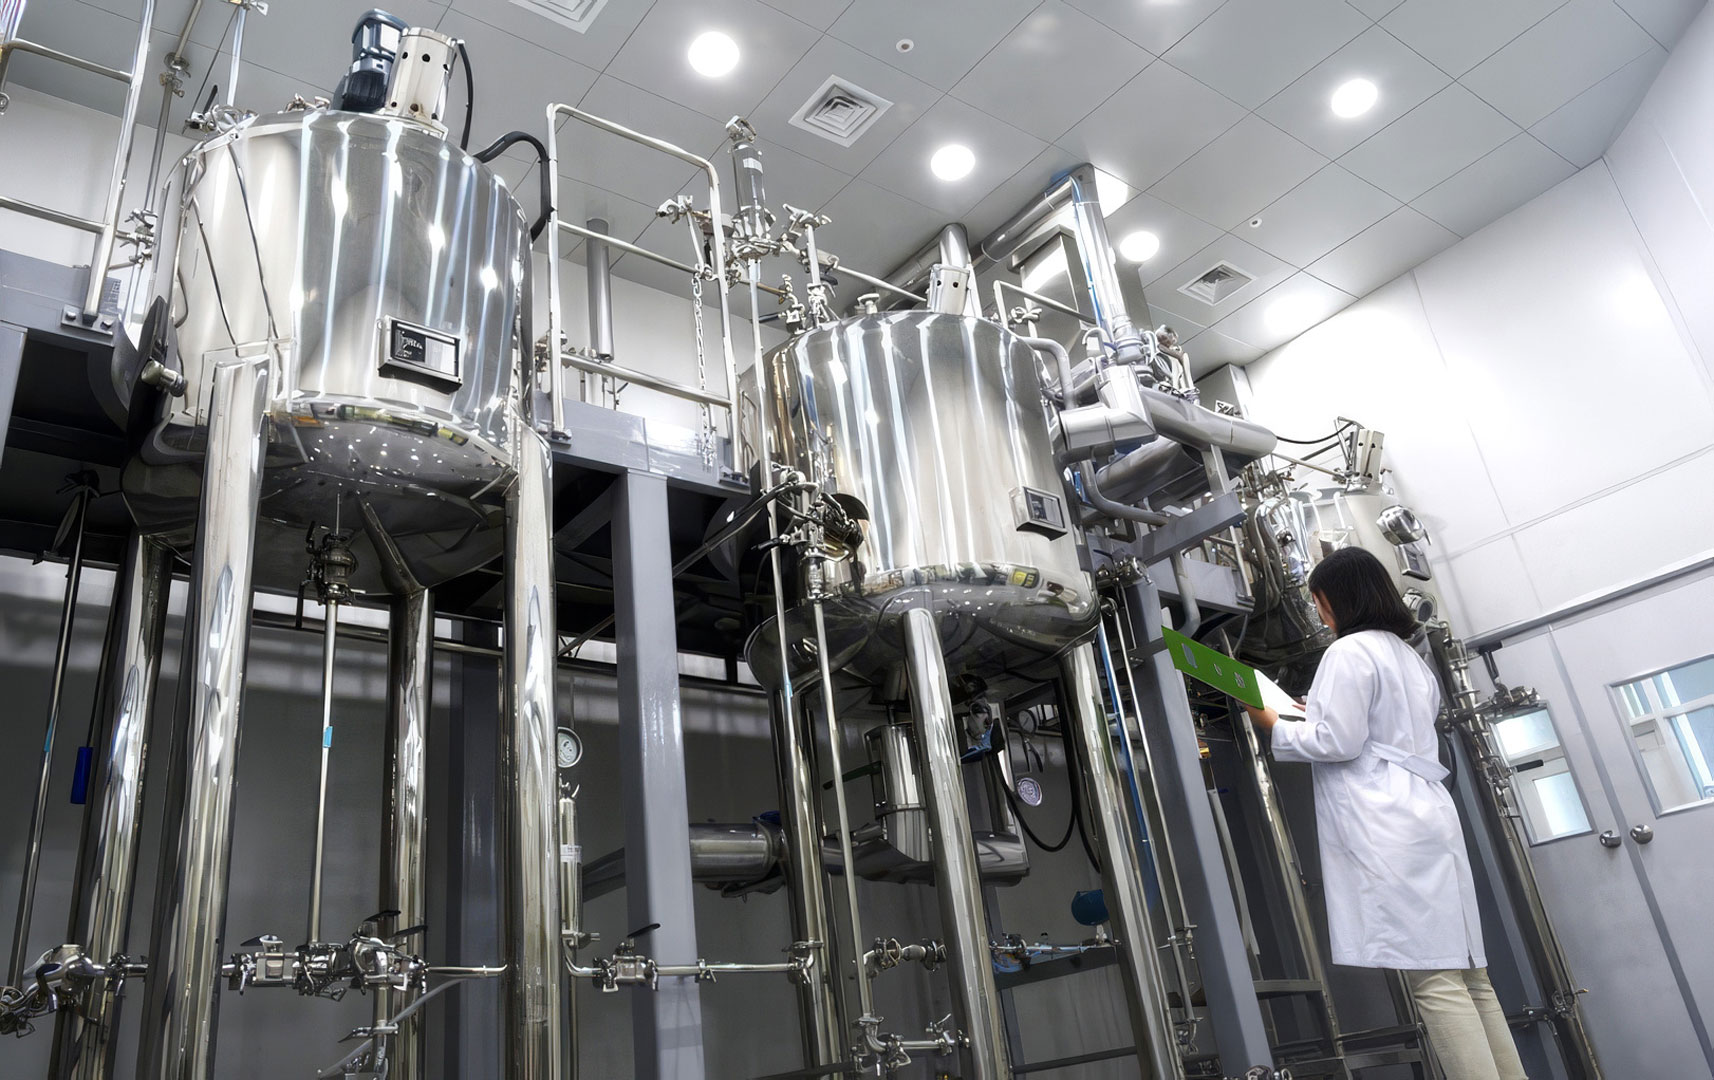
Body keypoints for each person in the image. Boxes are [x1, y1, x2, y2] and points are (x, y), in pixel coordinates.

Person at [1243, 546, 1528, 1080]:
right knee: (1471, 976)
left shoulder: (1348, 652)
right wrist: (1316, 713)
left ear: (1334, 599)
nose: (1317, 611)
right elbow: (1373, 730)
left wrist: (1270, 720)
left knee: (1434, 981)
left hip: (1388, 821)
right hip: (1426, 815)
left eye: (1317, 600)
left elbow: (1339, 741)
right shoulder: (1408, 658)